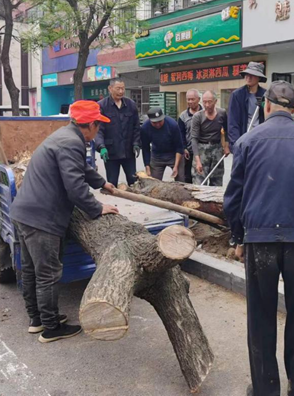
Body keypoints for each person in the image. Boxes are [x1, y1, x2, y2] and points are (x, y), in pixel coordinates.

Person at [224, 81, 294, 396]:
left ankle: (265, 388)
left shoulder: (248, 142)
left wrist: (237, 237)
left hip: (259, 239)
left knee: (261, 315)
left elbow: (232, 199)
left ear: (267, 106)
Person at [10, 100, 119, 343]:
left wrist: (102, 183)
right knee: (48, 273)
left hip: (24, 212)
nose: (98, 131)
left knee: (31, 270)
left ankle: (37, 320)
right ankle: (50, 328)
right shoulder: (72, 142)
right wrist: (98, 207)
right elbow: (74, 186)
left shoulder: (65, 135)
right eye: (98, 126)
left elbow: (81, 169)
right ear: (89, 125)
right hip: (42, 218)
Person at [95, 78, 141, 186]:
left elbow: (136, 127)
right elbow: (98, 130)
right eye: (118, 88)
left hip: (128, 152)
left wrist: (136, 143)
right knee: (112, 183)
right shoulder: (102, 106)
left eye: (123, 88)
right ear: (110, 89)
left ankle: (133, 203)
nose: (121, 91)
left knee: (133, 181)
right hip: (110, 153)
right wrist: (101, 146)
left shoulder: (131, 104)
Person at [191, 91, 229, 186]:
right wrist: (198, 161)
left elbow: (227, 130)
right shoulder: (197, 117)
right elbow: (194, 139)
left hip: (217, 149)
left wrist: (226, 146)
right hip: (202, 150)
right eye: (204, 102)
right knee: (199, 182)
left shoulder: (222, 113)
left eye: (209, 102)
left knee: (217, 181)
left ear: (215, 101)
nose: (207, 105)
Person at [227, 62, 267, 149]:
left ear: (259, 77)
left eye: (252, 75)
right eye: (247, 75)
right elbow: (232, 123)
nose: (248, 77)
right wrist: (236, 144)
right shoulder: (237, 95)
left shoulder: (265, 95)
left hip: (260, 139)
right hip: (243, 138)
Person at [140, 107, 184, 181]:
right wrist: (147, 165)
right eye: (154, 122)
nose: (158, 124)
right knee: (154, 181)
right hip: (157, 155)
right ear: (150, 120)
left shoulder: (173, 125)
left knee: (180, 179)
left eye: (160, 121)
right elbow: (145, 148)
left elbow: (179, 147)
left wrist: (176, 166)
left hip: (173, 154)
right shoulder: (145, 128)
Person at [177, 89, 202, 184]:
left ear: (198, 99)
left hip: (202, 151)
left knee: (201, 175)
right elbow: (181, 133)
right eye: (188, 99)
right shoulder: (183, 116)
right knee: (188, 176)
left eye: (192, 99)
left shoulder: (205, 113)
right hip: (189, 152)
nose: (190, 102)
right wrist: (184, 148)